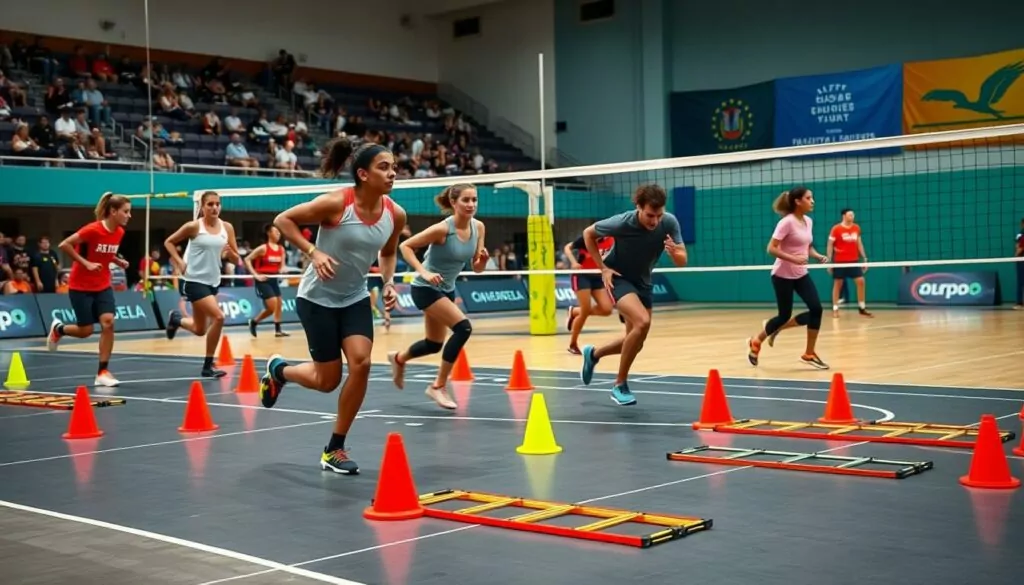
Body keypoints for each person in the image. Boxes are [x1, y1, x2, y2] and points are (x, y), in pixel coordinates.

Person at [258, 138, 406, 475]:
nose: (392, 172)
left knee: (362, 363)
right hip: (317, 298)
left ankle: (334, 448)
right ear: (363, 174)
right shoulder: (336, 203)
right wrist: (313, 252)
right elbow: (283, 220)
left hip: (354, 297)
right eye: (384, 167)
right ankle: (279, 370)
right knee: (327, 381)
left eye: (394, 166)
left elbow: (387, 252)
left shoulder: (395, 214)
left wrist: (387, 283)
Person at [578, 184, 688, 406]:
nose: (654, 221)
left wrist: (676, 253)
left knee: (636, 341)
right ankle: (620, 385)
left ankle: (594, 354)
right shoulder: (622, 222)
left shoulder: (669, 222)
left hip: (643, 281)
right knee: (642, 322)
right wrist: (603, 269)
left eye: (658, 215)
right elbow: (588, 234)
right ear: (638, 207)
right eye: (649, 215)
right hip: (618, 277)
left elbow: (682, 260)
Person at [386, 183, 489, 409]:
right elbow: (406, 246)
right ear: (453, 203)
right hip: (425, 288)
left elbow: (477, 267)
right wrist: (424, 271)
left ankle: (399, 358)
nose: (471, 204)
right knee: (463, 328)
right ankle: (437, 386)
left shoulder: (479, 228)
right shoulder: (442, 229)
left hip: (447, 289)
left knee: (434, 344)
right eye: (466, 200)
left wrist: (481, 262)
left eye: (474, 200)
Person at [47, 192, 132, 387]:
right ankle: (59, 329)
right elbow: (64, 245)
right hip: (80, 286)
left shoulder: (119, 232)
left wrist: (117, 260)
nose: (129, 216)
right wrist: (86, 263)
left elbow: (104, 252)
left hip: (102, 285)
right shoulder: (92, 230)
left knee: (108, 322)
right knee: (85, 331)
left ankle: (103, 371)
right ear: (113, 211)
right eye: (126, 212)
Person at [747, 186, 829, 370]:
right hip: (782, 275)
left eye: (812, 197)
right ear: (798, 201)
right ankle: (756, 341)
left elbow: (807, 246)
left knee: (816, 309)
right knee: (784, 315)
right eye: (809, 198)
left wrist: (816, 255)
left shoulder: (808, 221)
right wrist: (793, 258)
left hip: (801, 274)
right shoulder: (786, 222)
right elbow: (771, 248)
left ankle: (809, 353)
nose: (812, 201)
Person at [163, 191, 241, 378]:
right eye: (210, 204)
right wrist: (179, 262)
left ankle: (176, 320)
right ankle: (208, 365)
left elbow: (237, 259)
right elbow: (169, 242)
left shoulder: (227, 228)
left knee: (200, 329)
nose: (215, 207)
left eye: (217, 204)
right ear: (202, 207)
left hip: (213, 281)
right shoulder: (193, 227)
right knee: (219, 317)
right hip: (193, 280)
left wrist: (230, 255)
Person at [563, 225, 615, 354]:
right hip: (582, 276)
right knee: (585, 311)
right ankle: (573, 344)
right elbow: (567, 247)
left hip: (597, 276)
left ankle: (574, 311)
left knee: (607, 309)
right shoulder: (585, 239)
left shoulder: (611, 240)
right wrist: (574, 262)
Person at [244, 223, 290, 337]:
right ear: (269, 233)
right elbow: (247, 259)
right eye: (276, 232)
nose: (278, 234)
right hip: (263, 279)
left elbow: (282, 266)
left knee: (278, 304)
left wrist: (283, 269)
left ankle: (278, 330)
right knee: (272, 305)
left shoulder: (281, 249)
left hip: (274, 279)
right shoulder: (263, 248)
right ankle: (254, 322)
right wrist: (255, 275)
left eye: (279, 232)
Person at [826, 208, 872, 319]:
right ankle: (835, 309)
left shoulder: (856, 228)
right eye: (850, 215)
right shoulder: (836, 229)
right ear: (844, 216)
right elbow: (830, 245)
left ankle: (862, 308)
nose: (852, 217)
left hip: (853, 261)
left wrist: (864, 258)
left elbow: (859, 243)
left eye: (853, 215)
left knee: (861, 281)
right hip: (840, 262)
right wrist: (829, 261)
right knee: (838, 284)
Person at [1015, 217, 1024, 310]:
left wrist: (1016, 256)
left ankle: (1019, 303)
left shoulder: (1021, 234)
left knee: (1020, 282)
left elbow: (1020, 247)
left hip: (1022, 260)